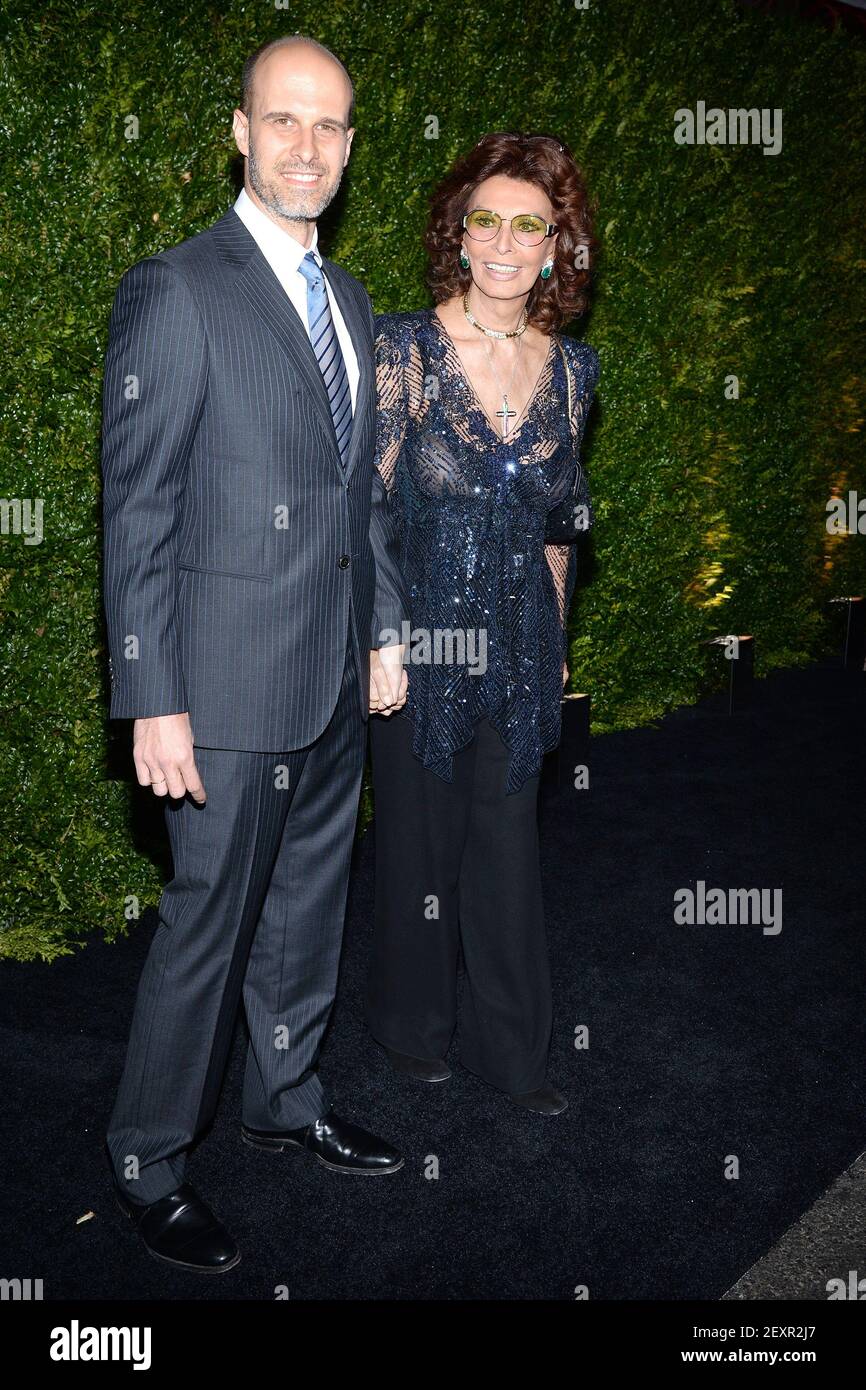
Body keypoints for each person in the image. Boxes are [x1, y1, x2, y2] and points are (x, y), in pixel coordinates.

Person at [101, 33, 409, 1274]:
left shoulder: (347, 298)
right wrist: (152, 697)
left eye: (331, 126)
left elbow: (358, 497)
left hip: (332, 673)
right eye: (284, 121)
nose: (308, 147)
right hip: (220, 690)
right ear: (239, 130)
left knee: (307, 912)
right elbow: (138, 510)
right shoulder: (177, 287)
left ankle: (286, 1103)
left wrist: (382, 624)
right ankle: (147, 1160)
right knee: (205, 927)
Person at [365, 131, 599, 1115]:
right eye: (486, 222)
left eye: (528, 226)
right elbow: (365, 505)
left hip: (518, 644)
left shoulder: (573, 371)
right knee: (416, 848)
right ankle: (411, 1028)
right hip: (417, 646)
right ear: (458, 237)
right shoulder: (402, 350)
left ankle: (516, 1050)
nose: (505, 243)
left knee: (507, 851)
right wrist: (378, 635)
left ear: (554, 248)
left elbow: (559, 523)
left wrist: (553, 645)